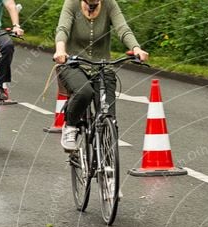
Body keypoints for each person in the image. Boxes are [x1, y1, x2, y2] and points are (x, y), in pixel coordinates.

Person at [53, 0, 148, 151]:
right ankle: (70, 126)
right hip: (74, 63)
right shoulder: (72, 3)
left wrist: (136, 48)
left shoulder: (109, 4)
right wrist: (60, 49)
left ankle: (105, 157)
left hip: (102, 66)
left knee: (107, 113)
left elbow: (122, 28)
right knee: (84, 92)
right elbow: (63, 29)